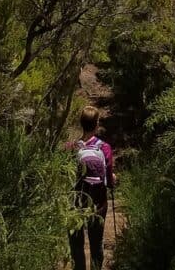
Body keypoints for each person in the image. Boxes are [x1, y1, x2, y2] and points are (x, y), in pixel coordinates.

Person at [68, 105, 108, 270]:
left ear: (81, 123)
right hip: (98, 200)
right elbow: (109, 179)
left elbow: (66, 176)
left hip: (76, 201)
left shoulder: (71, 148)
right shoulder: (104, 148)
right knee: (96, 241)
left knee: (76, 242)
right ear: (97, 124)